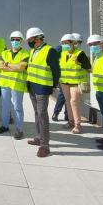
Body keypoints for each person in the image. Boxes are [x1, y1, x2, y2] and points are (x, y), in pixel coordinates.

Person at [25, 27, 60, 157]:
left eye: (30, 39)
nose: (29, 42)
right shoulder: (33, 50)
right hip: (32, 87)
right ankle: (39, 137)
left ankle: (45, 145)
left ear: (38, 38)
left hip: (43, 88)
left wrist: (53, 85)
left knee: (42, 114)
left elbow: (56, 71)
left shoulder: (49, 51)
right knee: (36, 113)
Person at [0, 31, 29, 139]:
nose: (15, 41)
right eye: (13, 39)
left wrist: (7, 65)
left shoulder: (25, 54)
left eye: (17, 39)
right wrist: (13, 67)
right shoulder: (4, 53)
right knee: (5, 106)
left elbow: (21, 67)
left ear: (21, 41)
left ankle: (19, 130)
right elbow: (0, 66)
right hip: (5, 84)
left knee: (17, 107)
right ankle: (5, 126)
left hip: (17, 85)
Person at [59, 34, 91, 134]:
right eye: (63, 43)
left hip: (76, 82)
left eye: (67, 43)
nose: (65, 45)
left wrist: (79, 63)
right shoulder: (63, 53)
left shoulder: (80, 54)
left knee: (73, 101)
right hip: (64, 82)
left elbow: (89, 68)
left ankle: (78, 125)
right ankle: (71, 121)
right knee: (68, 101)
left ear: (73, 43)